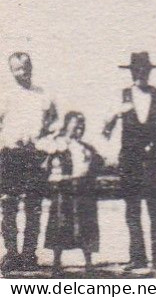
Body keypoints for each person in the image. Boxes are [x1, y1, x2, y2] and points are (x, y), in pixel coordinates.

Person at [102, 52, 156, 271]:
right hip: (130, 159)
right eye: (136, 70)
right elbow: (105, 130)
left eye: (144, 70)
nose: (140, 74)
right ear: (131, 72)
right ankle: (137, 258)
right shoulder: (121, 96)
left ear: (150, 72)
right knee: (132, 209)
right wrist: (117, 113)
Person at [0, 52, 57, 272]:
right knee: (9, 205)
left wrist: (42, 140)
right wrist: (6, 139)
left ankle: (29, 254)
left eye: (26, 67)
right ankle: (12, 253)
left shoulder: (43, 95)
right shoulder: (5, 95)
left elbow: (54, 125)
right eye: (17, 68)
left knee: (34, 207)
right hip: (9, 155)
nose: (22, 72)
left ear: (31, 67)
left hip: (35, 156)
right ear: (11, 70)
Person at [42, 113, 101, 272]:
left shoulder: (87, 147)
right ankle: (56, 263)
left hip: (83, 189)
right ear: (67, 125)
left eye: (82, 125)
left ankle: (89, 263)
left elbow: (97, 165)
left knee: (86, 225)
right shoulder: (57, 145)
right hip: (64, 189)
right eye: (76, 125)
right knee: (60, 224)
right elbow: (47, 166)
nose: (80, 128)